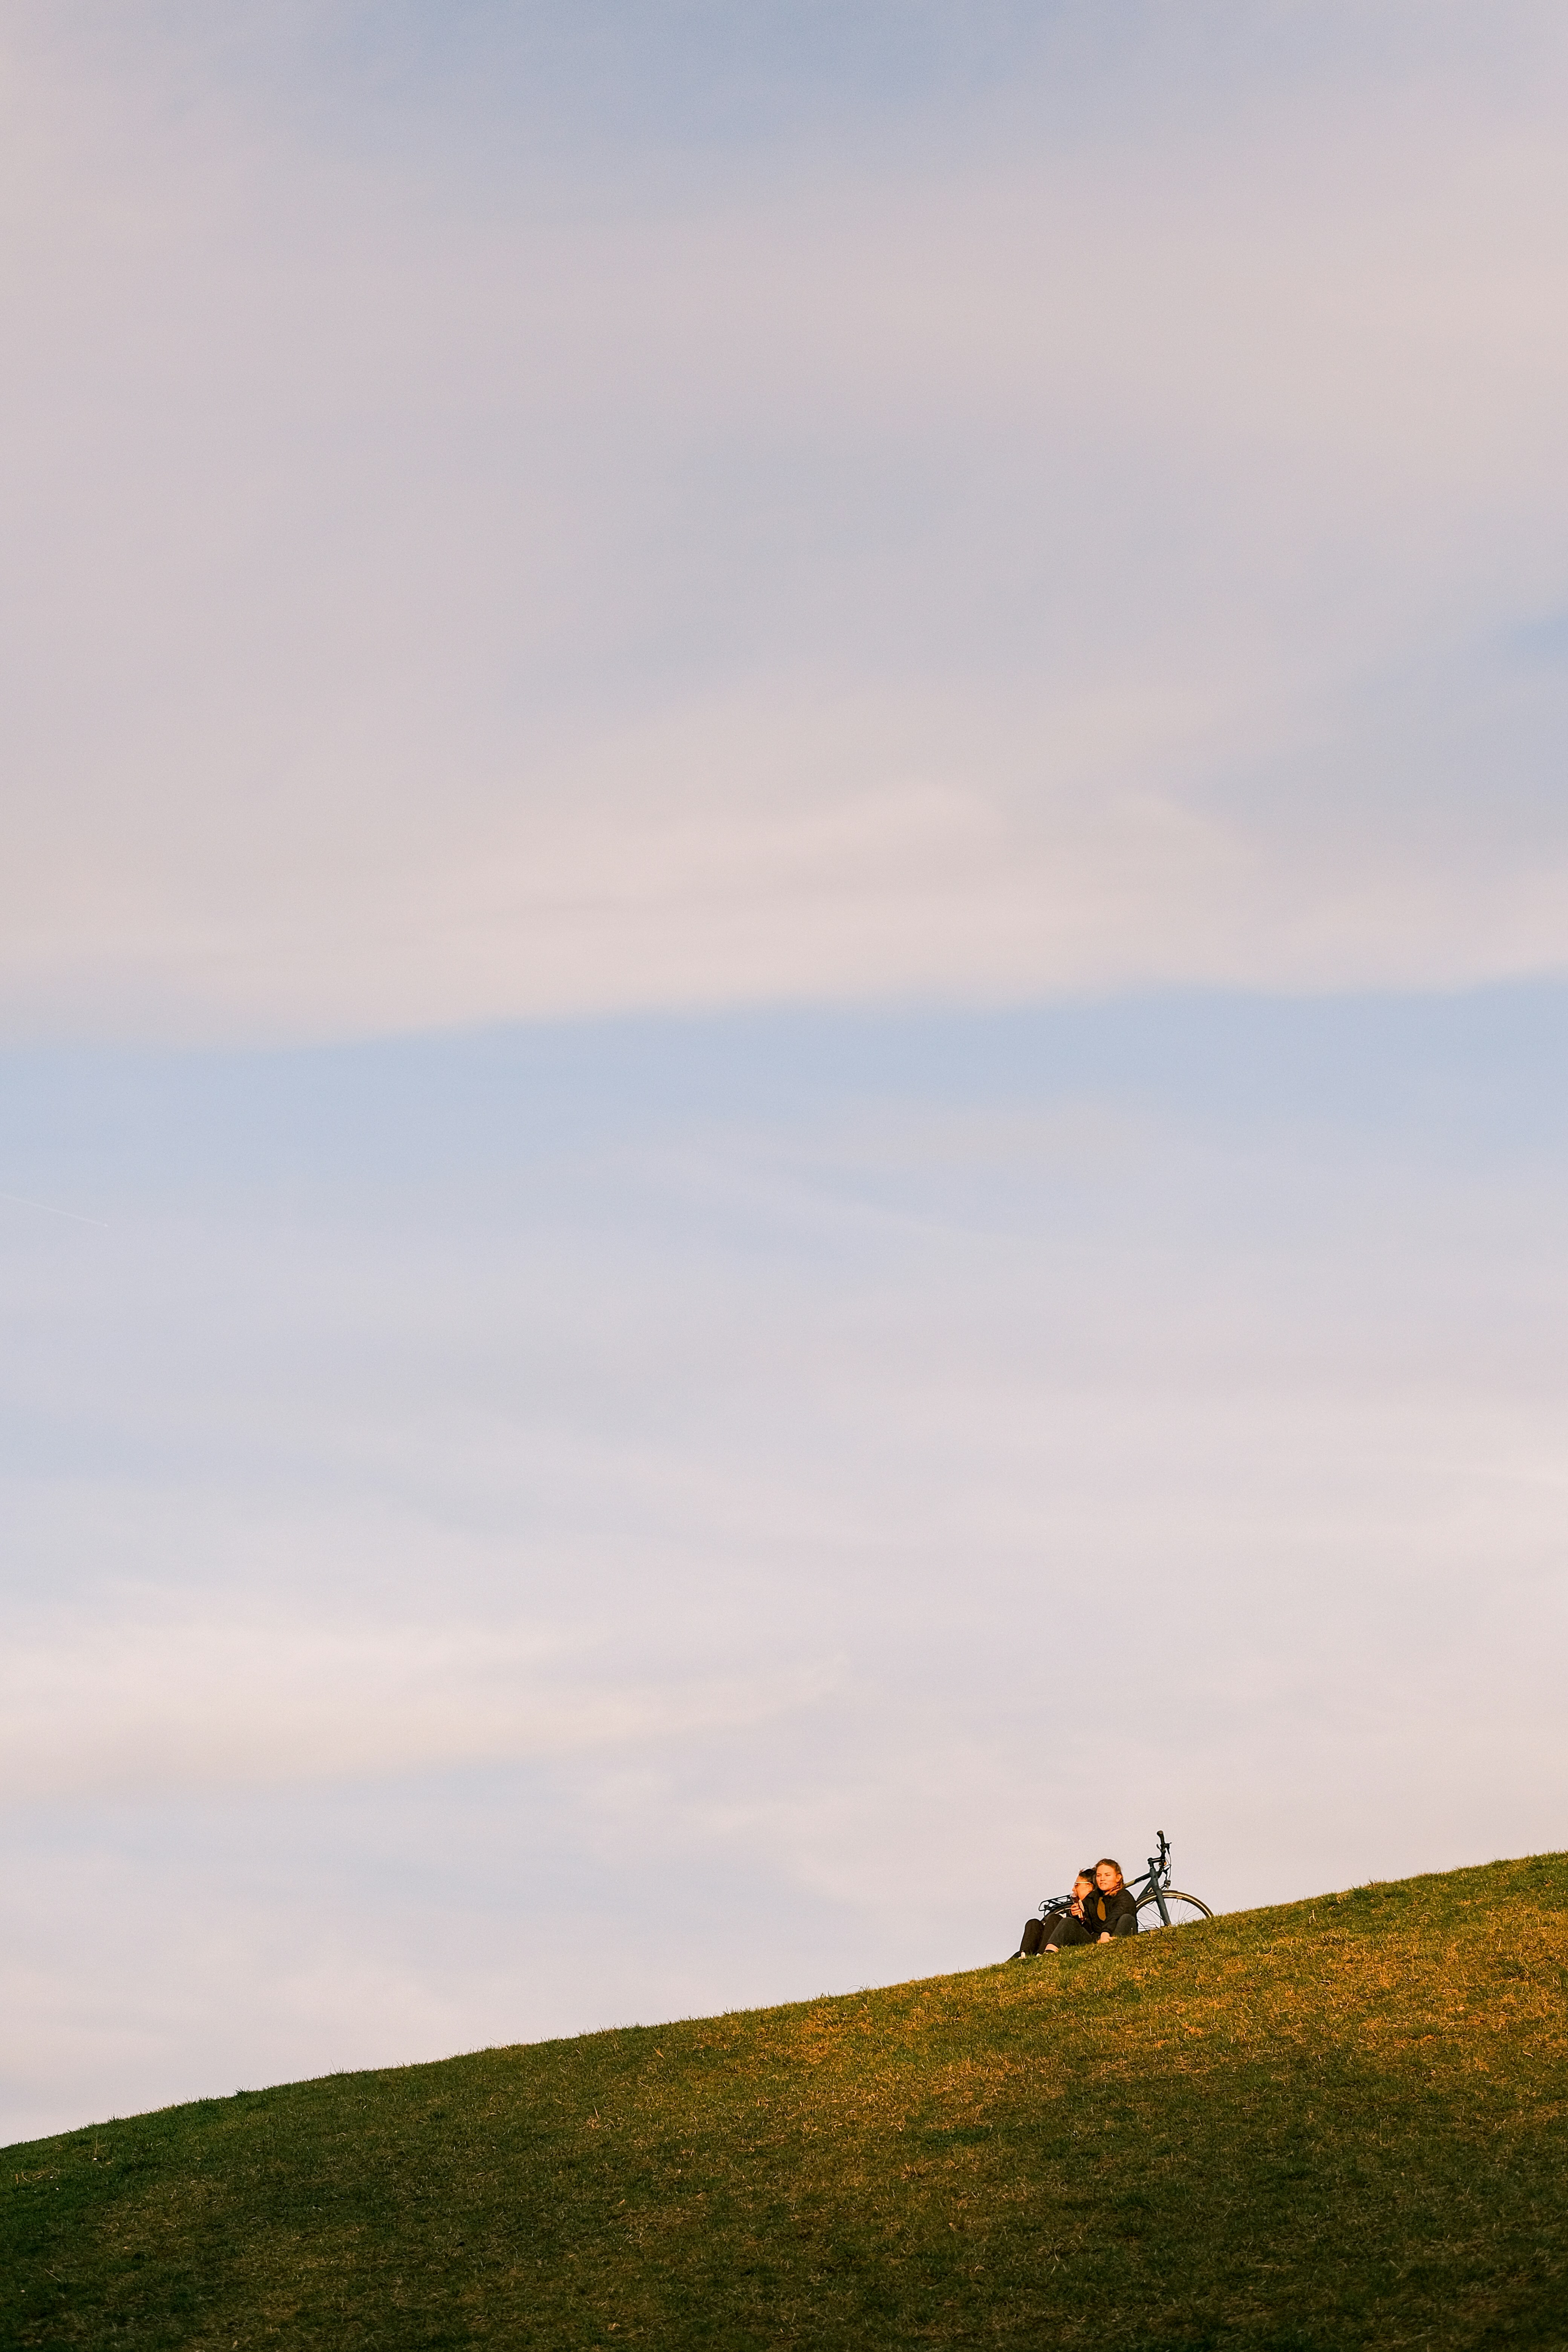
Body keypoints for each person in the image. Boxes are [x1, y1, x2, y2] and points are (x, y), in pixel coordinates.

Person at [1044, 1857, 1138, 1949]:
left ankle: (1114, 1947)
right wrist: (1075, 1914)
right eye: (1099, 1876)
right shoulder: (1093, 1897)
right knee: (1068, 1921)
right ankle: (1049, 1952)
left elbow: (1116, 1915)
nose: (1102, 1879)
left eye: (1107, 1875)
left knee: (1127, 1919)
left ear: (1118, 1878)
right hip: (1096, 1941)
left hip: (1116, 1937)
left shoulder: (1124, 1896)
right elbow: (1085, 1924)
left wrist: (1106, 1933)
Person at [1015, 1870, 1096, 1957]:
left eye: (1077, 1885)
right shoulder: (1076, 1905)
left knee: (1055, 1919)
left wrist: (1083, 1919)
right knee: (1033, 1923)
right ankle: (1024, 1955)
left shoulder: (1096, 1902)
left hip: (1087, 1938)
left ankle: (1043, 1954)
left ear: (1089, 1886)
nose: (1073, 1889)